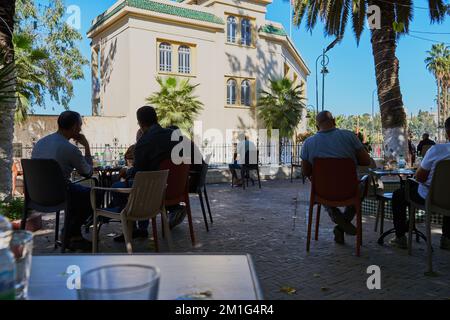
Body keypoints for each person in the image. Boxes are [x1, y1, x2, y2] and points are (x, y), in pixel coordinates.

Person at [301, 111, 371, 244]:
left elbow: (305, 171)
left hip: (323, 192)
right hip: (349, 190)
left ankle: (339, 220)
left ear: (317, 127)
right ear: (334, 122)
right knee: (363, 184)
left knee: (323, 186)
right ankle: (342, 225)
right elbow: (366, 161)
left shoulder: (308, 143)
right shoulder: (349, 136)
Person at [112, 106, 180, 242]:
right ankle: (140, 228)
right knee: (142, 184)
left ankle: (133, 228)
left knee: (117, 186)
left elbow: (138, 173)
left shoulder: (144, 142)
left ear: (140, 123)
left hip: (154, 191)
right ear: (156, 119)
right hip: (175, 188)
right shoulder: (174, 136)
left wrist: (126, 171)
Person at [32, 111, 94, 251]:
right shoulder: (70, 149)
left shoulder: (40, 143)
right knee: (93, 195)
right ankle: (70, 235)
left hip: (36, 195)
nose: (80, 129)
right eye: (79, 125)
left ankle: (72, 236)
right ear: (73, 127)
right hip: (59, 196)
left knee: (78, 193)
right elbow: (88, 172)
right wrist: (87, 147)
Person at [390, 118, 450, 249]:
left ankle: (400, 236)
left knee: (399, 195)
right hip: (446, 199)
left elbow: (420, 177)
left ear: (447, 133)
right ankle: (447, 238)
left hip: (429, 198)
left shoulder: (437, 150)